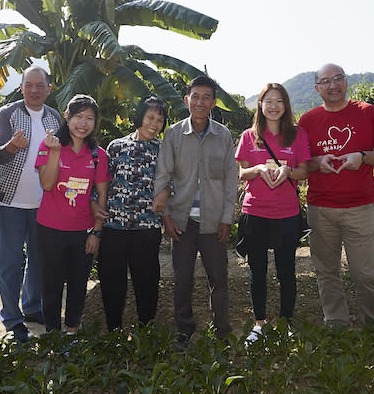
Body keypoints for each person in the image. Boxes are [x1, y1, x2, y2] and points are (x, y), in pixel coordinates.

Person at [298, 64, 374, 328]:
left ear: (346, 82)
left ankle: (373, 324)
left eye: (338, 78)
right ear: (317, 89)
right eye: (326, 81)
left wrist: (361, 157)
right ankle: (336, 323)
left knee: (364, 272)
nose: (333, 85)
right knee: (326, 271)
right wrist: (319, 162)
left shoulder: (366, 112)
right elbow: (301, 166)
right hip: (320, 208)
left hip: (359, 206)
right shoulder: (307, 121)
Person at [153, 76, 238, 349]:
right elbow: (162, 176)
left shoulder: (223, 136)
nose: (200, 102)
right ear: (187, 99)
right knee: (183, 278)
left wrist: (227, 218)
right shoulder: (174, 135)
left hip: (214, 222)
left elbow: (230, 181)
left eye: (206, 97)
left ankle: (222, 329)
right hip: (182, 221)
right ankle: (184, 329)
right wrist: (166, 216)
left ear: (213, 102)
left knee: (219, 277)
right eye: (195, 96)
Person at [235, 83, 310, 345]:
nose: (274, 106)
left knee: (287, 270)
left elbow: (304, 171)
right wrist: (257, 169)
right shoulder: (249, 136)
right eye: (269, 101)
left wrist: (288, 172)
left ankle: (285, 323)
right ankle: (259, 324)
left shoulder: (297, 135)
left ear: (286, 106)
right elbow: (242, 173)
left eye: (279, 101)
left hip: (287, 213)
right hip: (255, 212)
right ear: (260, 105)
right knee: (257, 270)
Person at [0, 66, 62, 339]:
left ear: (49, 89)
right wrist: (10, 148)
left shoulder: (54, 117)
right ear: (21, 87)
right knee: (9, 262)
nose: (34, 90)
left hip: (43, 203)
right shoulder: (7, 114)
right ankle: (11, 317)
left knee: (38, 260)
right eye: (28, 85)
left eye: (40, 86)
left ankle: (32, 307)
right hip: (8, 203)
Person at [35, 94, 111, 334]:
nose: (83, 123)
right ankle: (52, 333)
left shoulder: (98, 154)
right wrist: (55, 152)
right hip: (49, 228)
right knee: (51, 285)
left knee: (79, 285)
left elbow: (102, 196)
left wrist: (96, 233)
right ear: (67, 116)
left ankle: (71, 332)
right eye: (78, 116)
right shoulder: (49, 144)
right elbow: (47, 184)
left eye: (89, 118)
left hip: (83, 231)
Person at [97, 96, 167, 331]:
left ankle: (146, 330)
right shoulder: (116, 146)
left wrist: (166, 190)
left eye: (160, 119)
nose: (155, 123)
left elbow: (175, 178)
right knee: (112, 282)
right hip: (114, 226)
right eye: (150, 117)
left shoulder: (164, 149)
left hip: (147, 228)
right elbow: (104, 182)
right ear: (140, 117)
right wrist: (98, 209)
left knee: (146, 283)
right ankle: (113, 329)